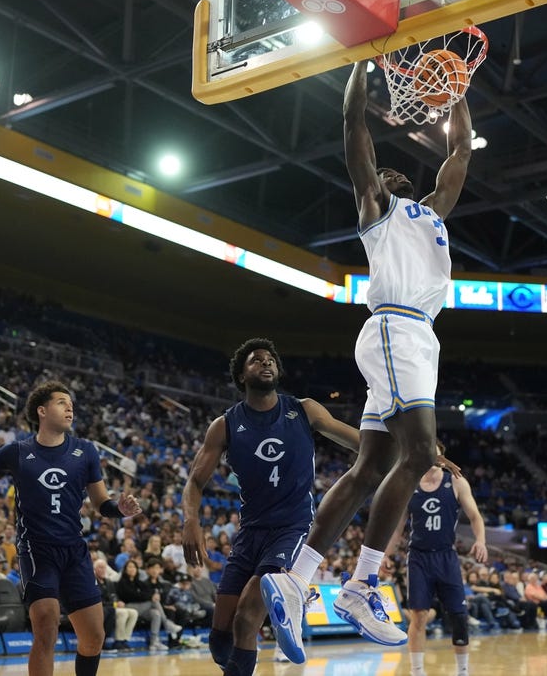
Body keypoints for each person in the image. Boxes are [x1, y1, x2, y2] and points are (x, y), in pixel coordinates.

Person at [262, 60, 472, 663]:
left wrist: (457, 91)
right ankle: (361, 585)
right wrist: (359, 64)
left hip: (418, 338)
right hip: (394, 331)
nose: (392, 170)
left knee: (369, 466)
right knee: (422, 455)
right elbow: (353, 121)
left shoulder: (431, 214)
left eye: (396, 170)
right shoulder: (377, 211)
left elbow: (460, 150)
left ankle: (297, 580)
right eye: (382, 169)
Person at [0, 380, 142, 676]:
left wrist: (120, 509)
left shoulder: (86, 451)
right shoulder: (17, 452)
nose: (69, 407)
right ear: (42, 411)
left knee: (94, 637)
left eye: (70, 403)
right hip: (37, 551)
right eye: (61, 402)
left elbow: (102, 502)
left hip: (74, 551)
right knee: (46, 627)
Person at [183, 338, 360, 676]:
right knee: (221, 638)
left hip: (292, 530)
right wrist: (191, 521)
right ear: (241, 375)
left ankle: (290, 597)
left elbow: (360, 441)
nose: (265, 364)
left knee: (248, 615)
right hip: (249, 534)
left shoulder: (304, 410)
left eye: (270, 360)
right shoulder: (225, 425)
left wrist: (415, 449)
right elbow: (194, 482)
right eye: (255, 361)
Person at [389, 446, 486, 676]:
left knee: (459, 616)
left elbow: (475, 516)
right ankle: (417, 671)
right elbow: (397, 528)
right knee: (419, 615)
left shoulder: (455, 481)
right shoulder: (409, 483)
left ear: (441, 455)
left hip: (446, 556)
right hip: (419, 557)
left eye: (434, 451)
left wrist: (480, 540)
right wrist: (384, 555)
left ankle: (463, 671)